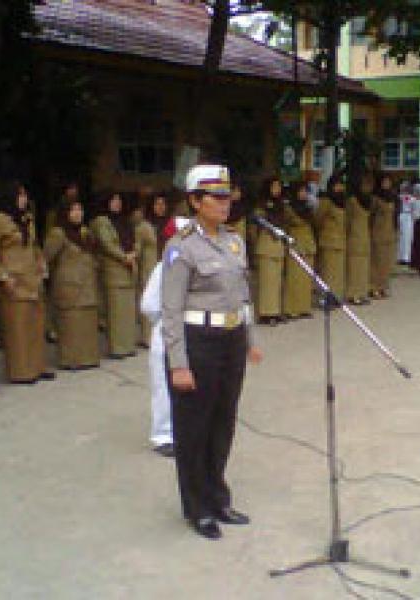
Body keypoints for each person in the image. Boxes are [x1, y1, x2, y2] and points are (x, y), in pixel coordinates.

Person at [162, 164, 263, 540]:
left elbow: (243, 296)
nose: (225, 203)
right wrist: (178, 364)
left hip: (231, 340)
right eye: (216, 197)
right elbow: (170, 310)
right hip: (197, 342)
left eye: (227, 196)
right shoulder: (181, 247)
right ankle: (197, 507)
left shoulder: (234, 241)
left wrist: (250, 340)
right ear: (194, 201)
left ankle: (218, 497)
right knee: (194, 428)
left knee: (223, 423)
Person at [0, 182, 51, 384]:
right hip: (13, 281)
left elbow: (34, 246)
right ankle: (21, 371)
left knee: (35, 325)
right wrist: (2, 275)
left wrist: (41, 263)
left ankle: (37, 367)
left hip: (32, 279)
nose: (23, 199)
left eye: (25, 195)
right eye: (19, 195)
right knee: (18, 329)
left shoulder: (26, 219)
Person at [44, 199, 101, 370]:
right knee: (71, 325)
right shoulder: (58, 233)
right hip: (69, 286)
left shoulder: (85, 232)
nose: (77, 213)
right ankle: (71, 360)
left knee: (86, 324)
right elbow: (47, 257)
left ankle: (88, 358)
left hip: (87, 285)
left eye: (80, 209)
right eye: (73, 210)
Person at [91, 190, 138, 358]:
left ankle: (127, 346)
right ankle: (117, 348)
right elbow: (107, 244)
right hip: (113, 271)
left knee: (127, 312)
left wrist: (133, 253)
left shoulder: (124, 221)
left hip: (129, 269)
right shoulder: (101, 221)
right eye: (113, 200)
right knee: (116, 313)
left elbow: (135, 240)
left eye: (119, 200)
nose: (117, 203)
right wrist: (124, 256)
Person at [140, 261, 174, 457]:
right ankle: (163, 435)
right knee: (163, 386)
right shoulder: (164, 268)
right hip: (167, 331)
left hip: (192, 334)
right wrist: (164, 319)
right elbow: (149, 304)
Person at [253, 177, 287, 324]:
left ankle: (276, 311)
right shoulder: (261, 205)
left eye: (279, 186)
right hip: (266, 243)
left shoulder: (282, 205)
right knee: (267, 282)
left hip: (278, 245)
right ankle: (266, 313)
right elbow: (257, 225)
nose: (277, 189)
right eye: (274, 186)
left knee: (276, 281)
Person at [282, 181, 316, 319]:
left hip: (308, 243)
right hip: (295, 242)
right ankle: (292, 309)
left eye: (305, 191)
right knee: (294, 278)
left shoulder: (309, 208)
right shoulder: (289, 207)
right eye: (300, 191)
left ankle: (304, 307)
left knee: (306, 278)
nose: (303, 194)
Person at [314, 174, 348, 299]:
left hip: (340, 241)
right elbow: (318, 218)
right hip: (328, 241)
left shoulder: (342, 202)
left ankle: (336, 296)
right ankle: (325, 297)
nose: (340, 188)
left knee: (337, 273)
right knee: (328, 272)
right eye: (337, 185)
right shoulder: (326, 201)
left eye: (341, 185)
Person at [134, 196, 159, 348]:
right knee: (150, 302)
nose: (160, 207)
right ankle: (147, 337)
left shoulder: (170, 223)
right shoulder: (144, 227)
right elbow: (137, 249)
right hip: (149, 268)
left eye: (163, 204)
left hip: (167, 267)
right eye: (157, 203)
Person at [346, 174, 373, 305]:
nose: (367, 188)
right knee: (354, 268)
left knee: (363, 268)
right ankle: (353, 294)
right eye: (364, 185)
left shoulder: (368, 201)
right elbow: (347, 218)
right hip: (355, 237)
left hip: (365, 237)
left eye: (369, 185)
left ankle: (362, 292)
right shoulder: (352, 201)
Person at [370, 174, 397, 299]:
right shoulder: (375, 198)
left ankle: (383, 286)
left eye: (388, 182)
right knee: (377, 262)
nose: (387, 184)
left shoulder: (392, 197)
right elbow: (371, 215)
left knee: (386, 263)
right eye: (384, 182)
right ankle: (374, 287)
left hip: (389, 233)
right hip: (378, 232)